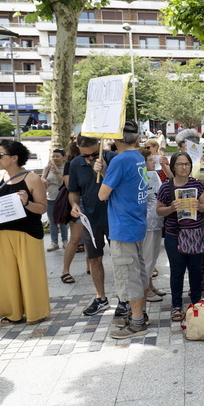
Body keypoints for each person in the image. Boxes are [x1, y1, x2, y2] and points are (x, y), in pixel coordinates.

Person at [98, 121, 150, 339]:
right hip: (136, 222)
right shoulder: (138, 157)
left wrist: (104, 174)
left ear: (117, 139)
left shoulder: (120, 160)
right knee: (137, 271)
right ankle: (141, 314)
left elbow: (103, 194)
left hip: (123, 225)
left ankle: (137, 322)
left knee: (128, 276)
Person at [0, 140, 50, 325]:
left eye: (0, 154)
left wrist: (26, 203)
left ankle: (36, 311)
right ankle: (12, 313)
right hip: (1, 233)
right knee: (5, 275)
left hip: (27, 232)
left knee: (30, 272)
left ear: (14, 158)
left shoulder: (32, 179)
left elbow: (42, 208)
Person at [68, 135, 124, 317]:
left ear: (99, 145)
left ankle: (124, 299)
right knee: (94, 258)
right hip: (90, 218)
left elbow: (123, 186)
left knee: (120, 258)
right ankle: (100, 297)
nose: (90, 158)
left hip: (114, 216)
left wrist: (105, 171)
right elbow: (74, 191)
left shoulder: (113, 158)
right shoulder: (76, 164)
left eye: (93, 154)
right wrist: (74, 204)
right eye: (86, 156)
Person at [157, 152, 204, 321]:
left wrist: (199, 205)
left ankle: (196, 303)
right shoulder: (167, 187)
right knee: (177, 271)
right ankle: (176, 305)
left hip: (195, 234)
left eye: (187, 164)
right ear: (173, 166)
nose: (184, 167)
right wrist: (171, 208)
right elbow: (159, 210)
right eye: (180, 164)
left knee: (196, 270)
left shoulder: (197, 184)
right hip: (175, 234)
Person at [176, 128, 204, 295]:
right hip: (189, 209)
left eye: (182, 145)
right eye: (179, 146)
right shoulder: (183, 159)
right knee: (195, 247)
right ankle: (198, 280)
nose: (180, 149)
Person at [138, 147, 167, 303]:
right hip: (148, 221)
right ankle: (144, 290)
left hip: (157, 220)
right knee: (147, 257)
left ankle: (150, 284)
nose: (152, 162)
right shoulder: (143, 176)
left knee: (154, 255)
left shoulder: (154, 173)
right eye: (149, 160)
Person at [59, 141, 85, 284]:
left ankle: (89, 266)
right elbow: (70, 186)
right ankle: (65, 270)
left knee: (90, 238)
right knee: (75, 238)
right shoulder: (71, 164)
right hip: (77, 202)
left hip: (92, 202)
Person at [42, 148, 69, 252]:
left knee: (63, 221)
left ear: (63, 157)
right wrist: (43, 180)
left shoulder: (65, 168)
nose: (55, 158)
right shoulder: (47, 168)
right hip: (50, 197)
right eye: (53, 156)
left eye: (58, 156)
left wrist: (57, 172)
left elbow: (61, 182)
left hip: (62, 198)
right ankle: (54, 242)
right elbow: (42, 179)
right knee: (53, 221)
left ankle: (65, 241)